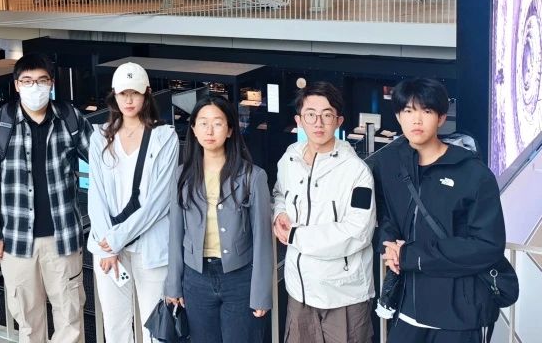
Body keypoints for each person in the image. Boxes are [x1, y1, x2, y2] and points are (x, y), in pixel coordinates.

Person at [372, 78, 506, 343]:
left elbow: (488, 246)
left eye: (427, 111)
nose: (416, 120)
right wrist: (389, 245)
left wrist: (412, 255)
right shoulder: (389, 164)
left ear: (442, 118)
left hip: (457, 314)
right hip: (408, 308)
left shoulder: (473, 174)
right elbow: (386, 216)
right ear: (398, 116)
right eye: (408, 111)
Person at [0, 53, 94, 343]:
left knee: (70, 317)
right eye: (27, 81)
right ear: (16, 85)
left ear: (51, 83)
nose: (35, 87)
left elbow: (101, 161)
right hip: (16, 240)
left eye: (41, 81)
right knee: (28, 320)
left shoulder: (69, 118)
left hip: (62, 238)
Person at [272, 81, 376, 343]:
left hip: (343, 294)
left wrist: (296, 236)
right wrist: (279, 214)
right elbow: (279, 193)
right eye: (310, 115)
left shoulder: (357, 171)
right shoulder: (290, 159)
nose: (318, 123)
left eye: (327, 115)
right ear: (299, 120)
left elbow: (358, 231)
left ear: (338, 121)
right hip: (299, 291)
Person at [164, 95, 272, 343]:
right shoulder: (182, 175)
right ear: (193, 129)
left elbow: (262, 240)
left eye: (217, 123)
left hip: (239, 279)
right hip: (196, 278)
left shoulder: (253, 176)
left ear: (230, 130)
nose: (209, 131)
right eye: (203, 123)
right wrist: (173, 284)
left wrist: (261, 293)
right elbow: (175, 234)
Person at [87, 62, 178, 343]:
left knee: (156, 329)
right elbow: (96, 195)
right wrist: (108, 244)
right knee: (115, 327)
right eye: (123, 93)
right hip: (107, 247)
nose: (128, 100)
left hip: (150, 245)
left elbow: (159, 202)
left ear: (146, 93)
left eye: (135, 93)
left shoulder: (165, 137)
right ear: (114, 95)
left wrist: (116, 239)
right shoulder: (99, 136)